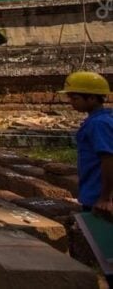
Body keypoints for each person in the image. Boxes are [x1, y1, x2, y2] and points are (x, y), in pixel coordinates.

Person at [59, 71, 112, 218]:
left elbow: (108, 160)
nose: (71, 102)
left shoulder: (99, 124)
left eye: (75, 98)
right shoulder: (98, 121)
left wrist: (105, 198)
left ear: (92, 98)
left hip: (99, 196)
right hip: (93, 190)